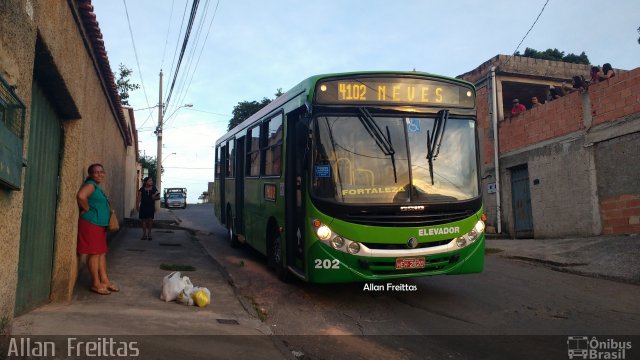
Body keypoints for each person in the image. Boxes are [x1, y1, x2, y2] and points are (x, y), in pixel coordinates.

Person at [76, 163, 119, 295]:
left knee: (101, 253)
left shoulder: (96, 187)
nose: (99, 174)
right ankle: (95, 283)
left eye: (101, 171)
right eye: (96, 172)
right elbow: (81, 196)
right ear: (90, 174)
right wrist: (87, 209)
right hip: (91, 223)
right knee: (94, 253)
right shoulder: (90, 185)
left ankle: (104, 280)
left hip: (99, 224)